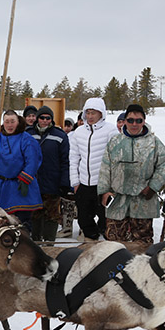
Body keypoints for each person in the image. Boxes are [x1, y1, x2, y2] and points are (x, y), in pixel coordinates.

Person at [98, 104, 165, 246]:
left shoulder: (154, 143)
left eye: (138, 120)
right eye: (130, 120)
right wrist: (104, 191)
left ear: (144, 121)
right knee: (114, 245)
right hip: (117, 201)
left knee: (142, 244)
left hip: (143, 202)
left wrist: (153, 186)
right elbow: (105, 168)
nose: (134, 124)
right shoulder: (115, 142)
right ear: (124, 121)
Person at [68, 97, 119, 241]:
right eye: (88, 113)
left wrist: (110, 187)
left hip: (103, 184)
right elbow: (73, 158)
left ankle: (106, 246)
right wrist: (75, 182)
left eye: (93, 113)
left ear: (101, 114)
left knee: (105, 219)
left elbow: (115, 161)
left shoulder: (111, 131)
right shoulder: (78, 132)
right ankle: (91, 241)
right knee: (84, 219)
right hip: (84, 183)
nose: (90, 116)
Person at [0, 111, 42, 226]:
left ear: (18, 122)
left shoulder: (27, 139)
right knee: (1, 222)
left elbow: (33, 160)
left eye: (12, 122)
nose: (10, 125)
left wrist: (26, 178)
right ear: (3, 123)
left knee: (22, 222)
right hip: (2, 187)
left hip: (20, 185)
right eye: (7, 122)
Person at [26, 106, 70, 242]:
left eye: (48, 118)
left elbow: (65, 161)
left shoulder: (59, 135)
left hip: (52, 181)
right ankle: (36, 241)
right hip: (32, 182)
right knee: (34, 214)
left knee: (51, 215)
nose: (45, 120)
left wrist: (64, 182)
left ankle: (49, 243)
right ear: (37, 119)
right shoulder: (28, 134)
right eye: (42, 118)